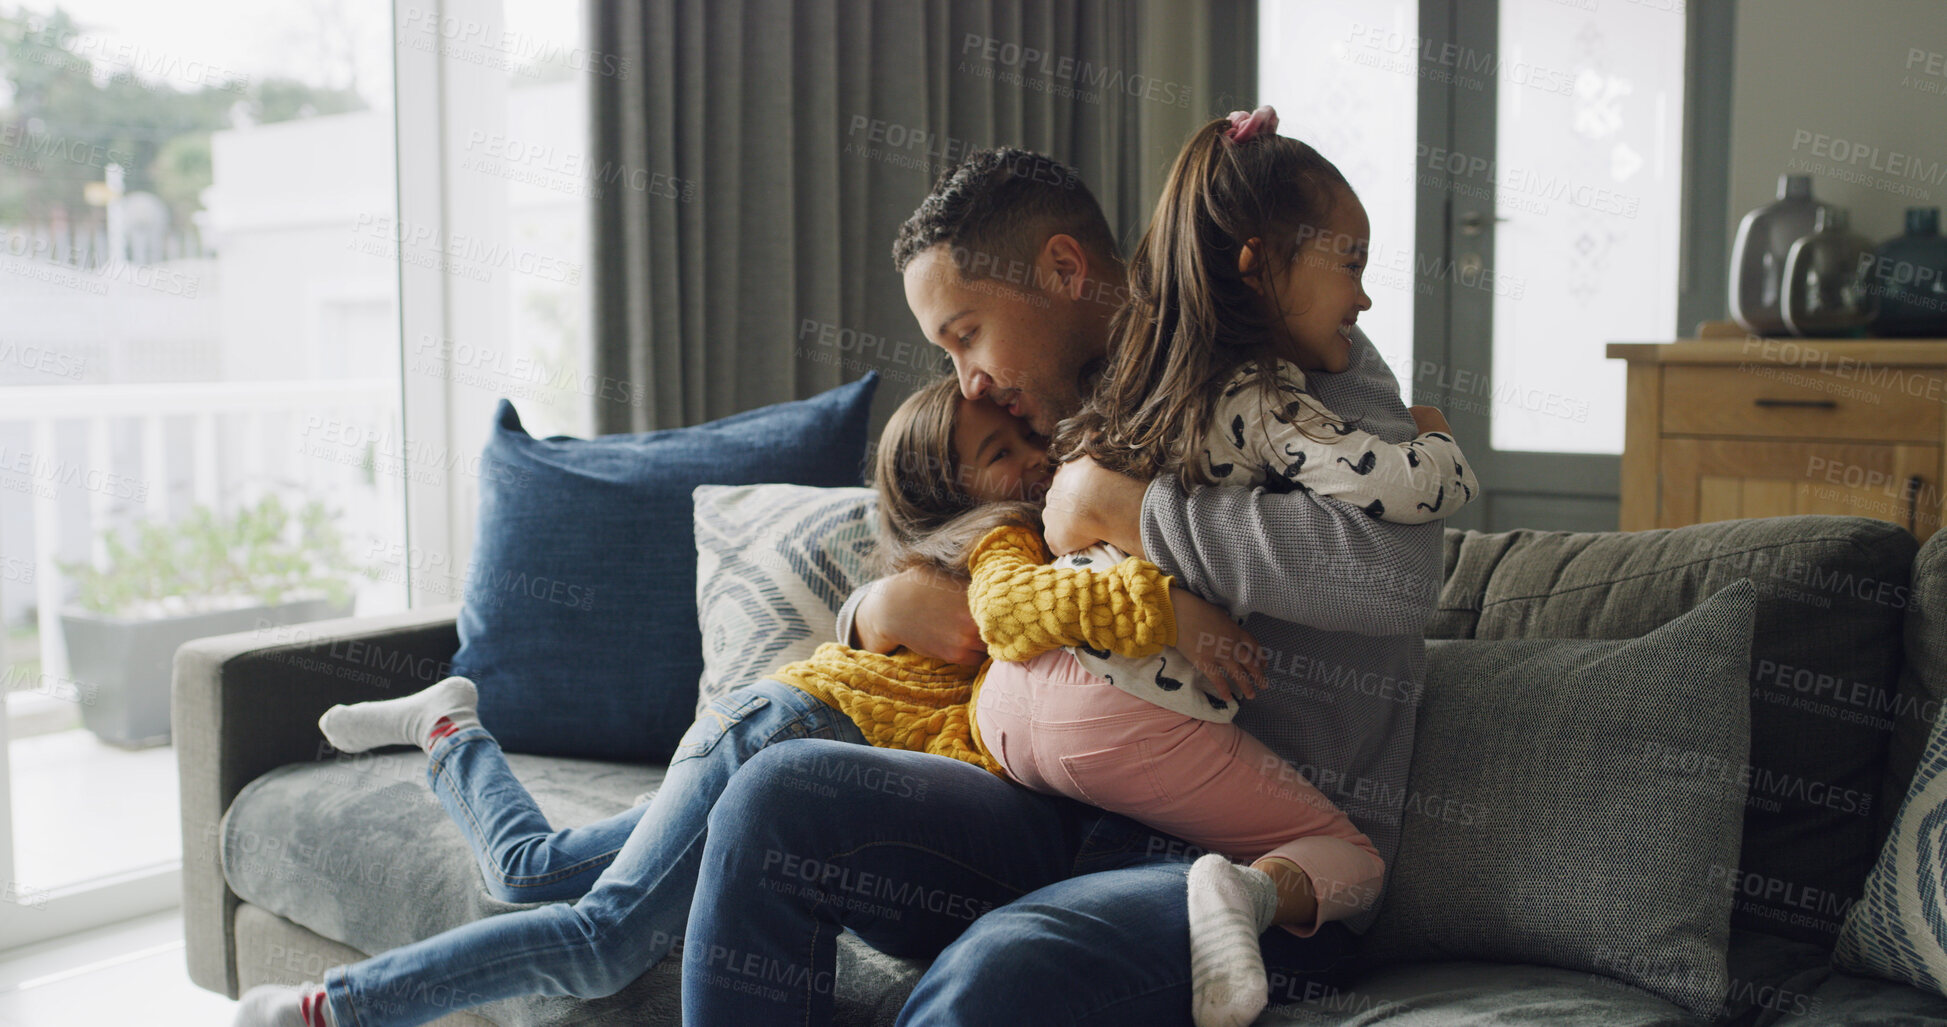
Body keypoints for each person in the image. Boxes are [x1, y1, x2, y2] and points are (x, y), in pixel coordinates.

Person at [681, 115, 1446, 1026]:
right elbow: (983, 560)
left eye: (966, 335)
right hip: (1051, 804)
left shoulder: (1303, 341)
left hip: (1251, 860)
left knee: (1005, 966)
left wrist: (1136, 512)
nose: (965, 380)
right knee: (775, 795)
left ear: (1061, 269)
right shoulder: (1050, 411)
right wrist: (875, 607)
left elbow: (1398, 576)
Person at [230, 381, 1051, 1027]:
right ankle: (331, 1009)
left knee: (532, 870)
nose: (1035, 458)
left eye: (1026, 438)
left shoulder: (985, 556)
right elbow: (967, 622)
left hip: (778, 736)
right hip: (781, 734)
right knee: (603, 941)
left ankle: (447, 728)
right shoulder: (994, 556)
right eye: (1000, 451)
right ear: (947, 493)